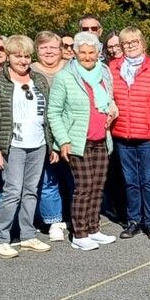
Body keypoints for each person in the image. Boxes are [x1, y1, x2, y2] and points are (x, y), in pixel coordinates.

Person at [0, 35, 56, 258]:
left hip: (38, 143)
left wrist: (51, 145)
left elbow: (48, 115)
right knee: (12, 191)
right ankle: (1, 237)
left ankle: (28, 235)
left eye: (26, 56)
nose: (22, 61)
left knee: (32, 191)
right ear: (9, 57)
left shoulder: (39, 80)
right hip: (12, 145)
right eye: (17, 56)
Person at [49, 32, 120, 251]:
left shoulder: (104, 72)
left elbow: (109, 99)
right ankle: (79, 233)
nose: (88, 57)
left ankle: (93, 228)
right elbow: (54, 112)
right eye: (83, 52)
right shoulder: (65, 76)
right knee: (84, 186)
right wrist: (63, 140)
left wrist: (112, 109)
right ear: (75, 53)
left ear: (98, 53)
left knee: (98, 187)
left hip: (101, 138)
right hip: (78, 140)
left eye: (92, 52)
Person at [109, 27, 150, 240]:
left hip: (148, 135)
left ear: (143, 43)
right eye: (126, 43)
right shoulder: (113, 68)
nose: (130, 45)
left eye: (134, 41)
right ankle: (134, 220)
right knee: (130, 180)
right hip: (122, 134)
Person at [30, 31, 71, 242]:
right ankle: (53, 220)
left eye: (53, 47)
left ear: (61, 50)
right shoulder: (30, 72)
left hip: (71, 133)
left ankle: (74, 218)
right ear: (36, 50)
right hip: (42, 134)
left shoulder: (72, 69)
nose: (48, 51)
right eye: (43, 47)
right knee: (48, 180)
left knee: (73, 180)